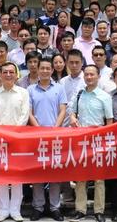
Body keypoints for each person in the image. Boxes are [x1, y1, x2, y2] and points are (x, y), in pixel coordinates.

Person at [69, 65, 114, 222]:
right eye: (86, 74)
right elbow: (72, 111)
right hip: (81, 141)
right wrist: (73, 117)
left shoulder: (105, 96)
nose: (89, 77)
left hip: (99, 140)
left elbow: (109, 121)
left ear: (98, 76)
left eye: (92, 74)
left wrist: (107, 141)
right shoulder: (80, 94)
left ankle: (99, 211)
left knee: (99, 178)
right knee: (80, 177)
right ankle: (80, 210)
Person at [0, 62, 31, 222]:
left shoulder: (23, 93)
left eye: (11, 72)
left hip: (18, 140)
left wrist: (14, 134)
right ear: (0, 74)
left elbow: (25, 115)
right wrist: (1, 135)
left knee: (17, 177)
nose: (8, 75)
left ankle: (15, 210)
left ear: (16, 74)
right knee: (2, 177)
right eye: (5, 72)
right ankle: (3, 210)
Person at [28, 58, 67, 222]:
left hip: (55, 137)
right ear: (37, 70)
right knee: (37, 173)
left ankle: (54, 207)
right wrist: (38, 129)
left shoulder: (59, 88)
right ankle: (38, 207)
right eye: (42, 68)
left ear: (52, 70)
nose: (44, 71)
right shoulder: (30, 89)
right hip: (36, 137)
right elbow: (28, 112)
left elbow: (63, 110)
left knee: (54, 173)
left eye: (47, 68)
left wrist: (55, 129)